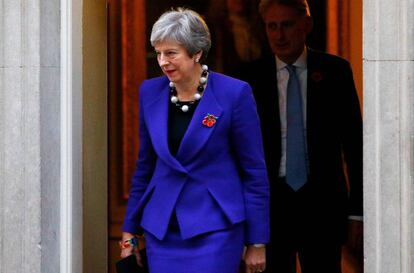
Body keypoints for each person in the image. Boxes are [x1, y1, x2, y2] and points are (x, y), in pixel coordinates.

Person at [120, 8, 270, 273]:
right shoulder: (150, 92)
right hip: (162, 230)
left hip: (216, 227)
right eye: (158, 53)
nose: (163, 61)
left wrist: (257, 241)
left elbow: (254, 173)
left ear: (196, 53)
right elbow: (144, 167)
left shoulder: (234, 94)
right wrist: (129, 232)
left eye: (171, 53)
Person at [240, 0, 363, 272]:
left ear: (306, 25)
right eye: (272, 26)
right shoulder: (249, 79)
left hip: (323, 204)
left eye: (287, 25)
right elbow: (238, 152)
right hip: (271, 204)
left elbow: (355, 146)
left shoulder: (336, 72)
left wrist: (357, 212)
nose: (279, 35)